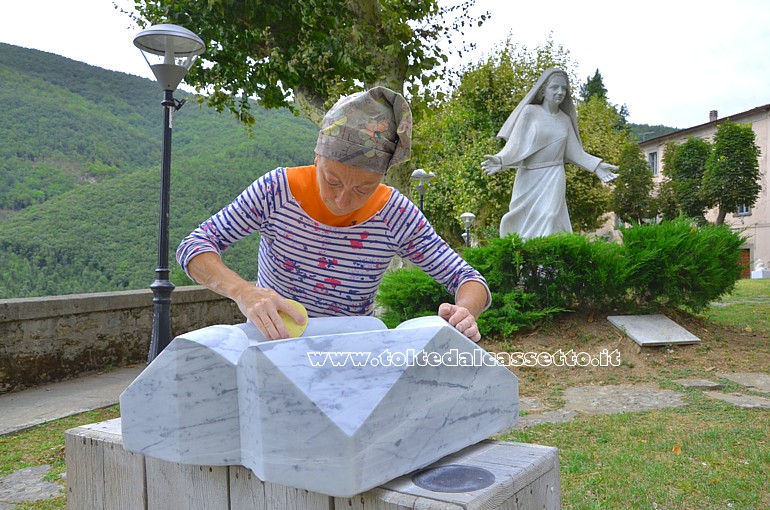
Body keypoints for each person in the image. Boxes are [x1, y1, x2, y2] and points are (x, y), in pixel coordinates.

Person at [177, 86, 491, 342]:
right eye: (332, 181)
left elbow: (468, 279)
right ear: (317, 156)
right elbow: (194, 247)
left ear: (381, 178)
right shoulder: (277, 191)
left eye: (363, 188)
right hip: (275, 344)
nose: (342, 200)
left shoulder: (395, 214)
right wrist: (244, 291)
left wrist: (466, 311)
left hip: (350, 352)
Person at [481, 68, 619, 239]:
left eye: (564, 88)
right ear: (543, 90)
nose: (560, 92)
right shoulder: (530, 112)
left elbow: (576, 152)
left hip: (554, 175)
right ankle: (523, 260)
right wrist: (500, 160)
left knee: (551, 217)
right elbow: (515, 144)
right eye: (555, 87)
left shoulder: (565, 119)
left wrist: (597, 166)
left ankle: (547, 265)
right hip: (528, 176)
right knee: (521, 218)